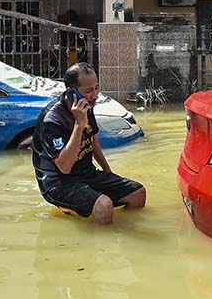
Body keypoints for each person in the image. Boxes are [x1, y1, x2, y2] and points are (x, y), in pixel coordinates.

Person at [32, 62, 146, 225]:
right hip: (58, 183)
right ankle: (97, 240)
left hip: (86, 173)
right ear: (72, 93)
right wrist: (79, 124)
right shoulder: (53, 120)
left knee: (138, 193)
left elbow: (92, 138)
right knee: (104, 206)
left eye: (96, 88)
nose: (95, 95)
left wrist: (108, 172)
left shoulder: (87, 107)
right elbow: (64, 167)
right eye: (89, 91)